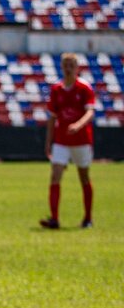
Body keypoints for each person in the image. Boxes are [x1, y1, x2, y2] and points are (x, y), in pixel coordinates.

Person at [41, 52, 96, 230]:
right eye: (66, 65)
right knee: (55, 175)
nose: (68, 68)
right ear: (61, 67)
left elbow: (90, 111)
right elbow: (52, 118)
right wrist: (48, 142)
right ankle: (54, 219)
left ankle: (88, 218)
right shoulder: (56, 89)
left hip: (81, 140)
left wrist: (78, 125)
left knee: (84, 177)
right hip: (61, 141)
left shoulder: (84, 88)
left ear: (77, 67)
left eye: (71, 65)